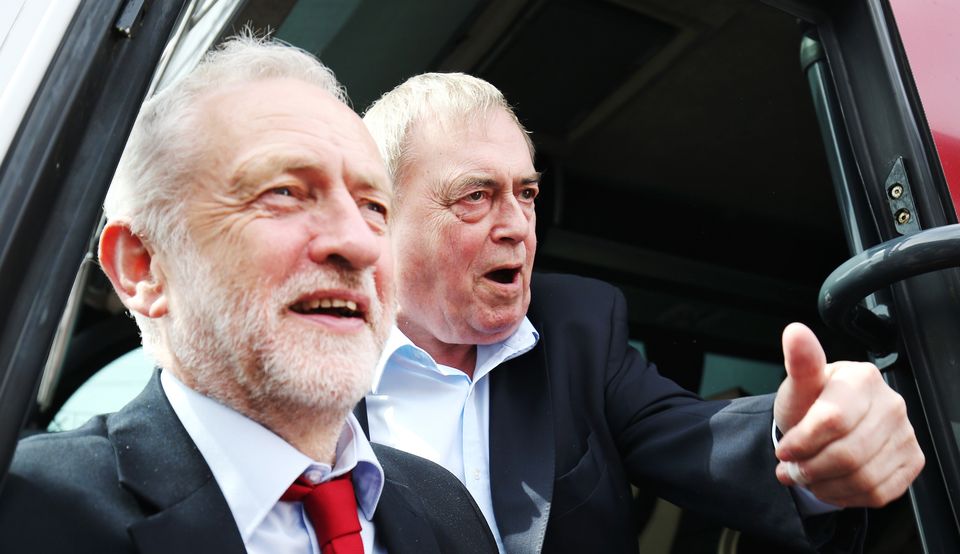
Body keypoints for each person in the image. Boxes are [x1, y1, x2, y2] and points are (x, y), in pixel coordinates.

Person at [358, 72, 925, 553]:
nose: (516, 227)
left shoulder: (577, 326)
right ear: (380, 215)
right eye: (475, 196)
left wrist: (810, 441)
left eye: (526, 194)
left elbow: (702, 440)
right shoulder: (313, 367)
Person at [0, 40, 497, 554]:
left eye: (374, 205)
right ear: (144, 267)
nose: (358, 242)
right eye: (283, 192)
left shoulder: (448, 512)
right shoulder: (32, 511)